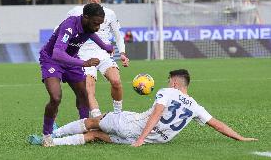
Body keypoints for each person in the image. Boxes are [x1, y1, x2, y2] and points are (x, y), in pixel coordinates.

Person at [30, 69, 257, 147]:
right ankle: (55, 143)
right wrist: (241, 138)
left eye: (170, 80)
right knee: (96, 136)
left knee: (94, 122)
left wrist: (140, 138)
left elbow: (156, 115)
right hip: (151, 139)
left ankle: (51, 136)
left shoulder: (167, 92)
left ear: (175, 83)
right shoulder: (196, 106)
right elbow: (216, 124)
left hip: (135, 129)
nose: (168, 83)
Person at [39, 3, 114, 147]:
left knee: (83, 95)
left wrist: (105, 46)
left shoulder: (88, 26)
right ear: (85, 17)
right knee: (55, 97)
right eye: (95, 23)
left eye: (100, 24)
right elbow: (57, 53)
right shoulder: (69, 26)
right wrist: (84, 63)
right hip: (52, 60)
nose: (97, 27)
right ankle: (47, 135)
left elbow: (91, 34)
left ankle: (84, 128)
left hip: (71, 61)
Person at [66, 0, 129, 118]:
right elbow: (60, 29)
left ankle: (118, 115)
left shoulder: (110, 13)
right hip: (83, 56)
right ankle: (97, 119)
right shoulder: (76, 11)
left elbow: (118, 35)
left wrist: (122, 53)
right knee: (89, 88)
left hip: (103, 54)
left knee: (116, 82)